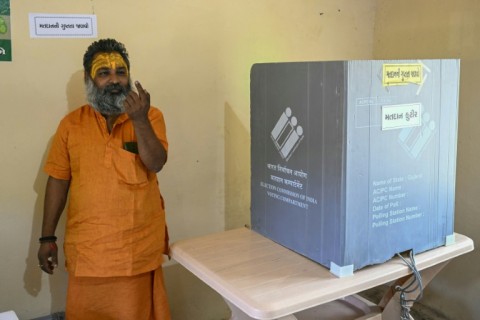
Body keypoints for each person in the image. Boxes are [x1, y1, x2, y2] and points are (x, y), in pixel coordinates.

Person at [37, 38, 171, 320]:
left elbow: (156, 163)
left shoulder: (151, 116)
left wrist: (140, 120)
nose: (114, 80)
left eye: (121, 72)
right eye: (104, 73)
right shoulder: (71, 125)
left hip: (136, 251)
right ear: (89, 79)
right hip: (89, 253)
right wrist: (47, 237)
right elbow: (58, 181)